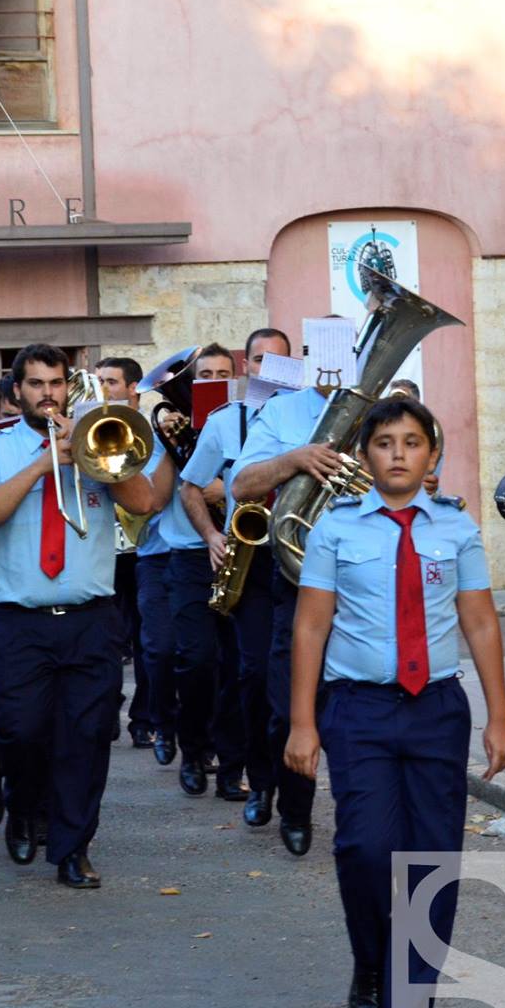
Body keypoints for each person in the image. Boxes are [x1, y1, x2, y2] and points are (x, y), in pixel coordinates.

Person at [284, 396, 505, 1008]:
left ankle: (417, 1003)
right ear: (365, 456)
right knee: (365, 847)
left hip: (437, 710)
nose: (399, 454)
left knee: (433, 861)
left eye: (412, 442)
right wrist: (304, 722)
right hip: (359, 709)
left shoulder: (455, 529)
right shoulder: (335, 530)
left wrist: (499, 716)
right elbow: (311, 625)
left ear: (431, 454)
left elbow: (480, 622)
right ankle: (371, 963)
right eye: (385, 443)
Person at [0, 344, 156, 888]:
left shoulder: (95, 438)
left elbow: (143, 502)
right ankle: (23, 807)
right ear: (17, 390)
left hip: (91, 617)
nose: (48, 393)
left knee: (87, 736)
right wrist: (42, 464)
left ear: (69, 387)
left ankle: (72, 848)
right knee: (19, 732)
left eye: (56, 383)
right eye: (36, 384)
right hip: (18, 620)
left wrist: (96, 457)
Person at [232, 332, 353, 860]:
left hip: (365, 578)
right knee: (288, 703)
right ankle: (294, 808)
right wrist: (298, 458)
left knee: (356, 708)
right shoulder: (282, 414)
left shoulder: (384, 415)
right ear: (309, 363)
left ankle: (359, 813)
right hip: (298, 575)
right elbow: (241, 483)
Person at [184, 328, 291, 824]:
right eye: (259, 360)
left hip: (298, 558)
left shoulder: (313, 418)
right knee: (251, 673)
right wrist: (210, 535)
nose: (267, 369)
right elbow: (189, 488)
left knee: (293, 679)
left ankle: (290, 784)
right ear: (245, 366)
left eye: (279, 362)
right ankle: (256, 776)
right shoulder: (224, 422)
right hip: (249, 559)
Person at [135, 347, 238, 796]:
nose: (213, 380)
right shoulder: (168, 430)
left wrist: (224, 488)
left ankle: (232, 763)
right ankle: (194, 750)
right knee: (195, 659)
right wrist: (175, 448)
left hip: (240, 551)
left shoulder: (247, 419)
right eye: (205, 375)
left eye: (222, 374)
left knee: (236, 664)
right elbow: (156, 501)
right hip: (190, 556)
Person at [93, 356, 156, 751]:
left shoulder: (150, 429)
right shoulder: (88, 425)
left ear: (133, 388)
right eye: (98, 381)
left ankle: (144, 718)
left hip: (143, 547)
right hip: (104, 551)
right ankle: (107, 704)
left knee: (147, 640)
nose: (103, 390)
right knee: (106, 638)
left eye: (111, 382)